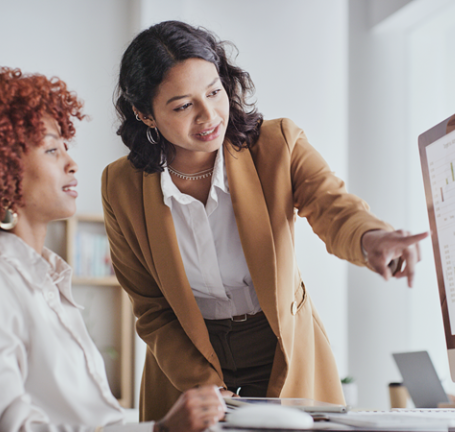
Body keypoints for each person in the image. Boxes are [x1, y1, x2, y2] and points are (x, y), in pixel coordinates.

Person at [102, 20, 429, 421]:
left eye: (214, 92)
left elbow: (332, 206)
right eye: (183, 105)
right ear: (145, 114)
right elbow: (151, 307)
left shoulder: (278, 144)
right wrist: (200, 383)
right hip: (186, 357)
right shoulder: (121, 185)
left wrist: (370, 237)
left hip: (280, 348)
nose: (209, 116)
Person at [0, 67, 224, 432]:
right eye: (52, 149)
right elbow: (11, 427)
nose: (72, 163)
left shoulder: (42, 280)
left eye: (66, 148)